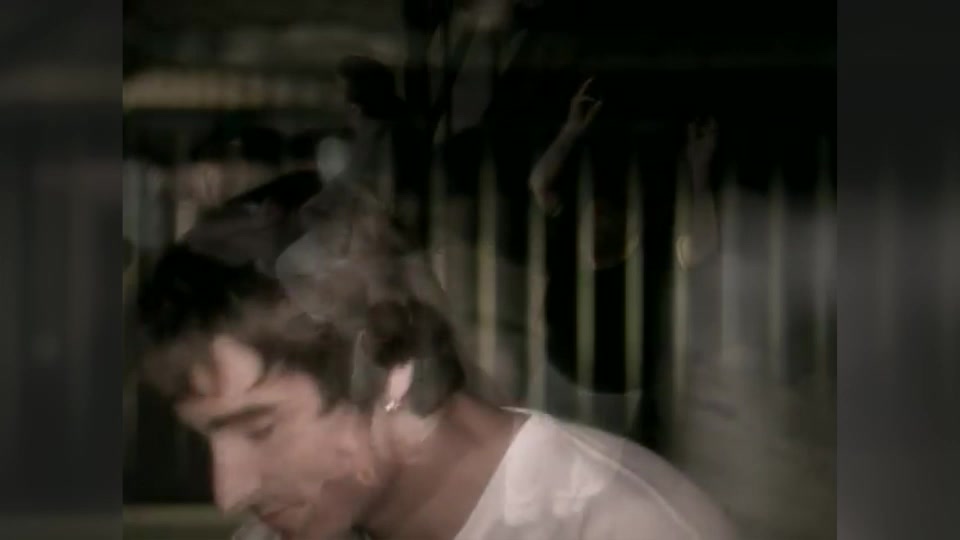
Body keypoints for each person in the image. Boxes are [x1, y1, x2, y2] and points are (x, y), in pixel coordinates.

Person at [135, 171, 737, 540]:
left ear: (389, 371)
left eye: (261, 428)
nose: (229, 492)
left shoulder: (622, 528)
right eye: (207, 437)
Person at [529, 78, 720, 438]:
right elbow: (540, 184)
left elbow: (701, 246)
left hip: (613, 393)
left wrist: (700, 172)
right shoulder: (574, 219)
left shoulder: (656, 246)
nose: (596, 223)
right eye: (595, 214)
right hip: (558, 368)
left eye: (606, 219)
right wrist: (570, 131)